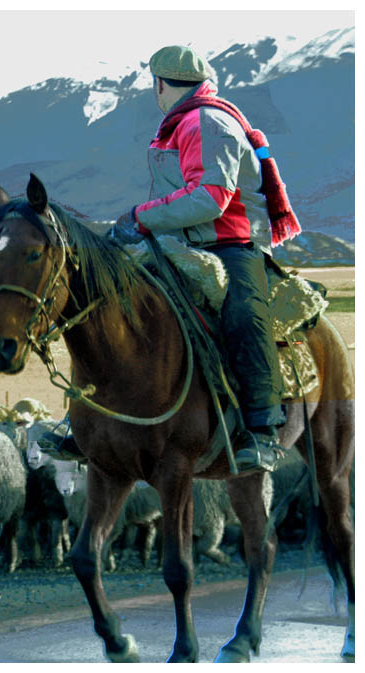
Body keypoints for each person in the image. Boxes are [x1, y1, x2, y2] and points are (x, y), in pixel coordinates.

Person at [109, 45, 288, 474]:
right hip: (184, 242)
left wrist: (141, 216)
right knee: (113, 303)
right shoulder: (183, 122)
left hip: (231, 243)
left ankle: (263, 430)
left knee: (245, 315)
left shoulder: (206, 122)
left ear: (160, 85)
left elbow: (211, 198)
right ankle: (94, 419)